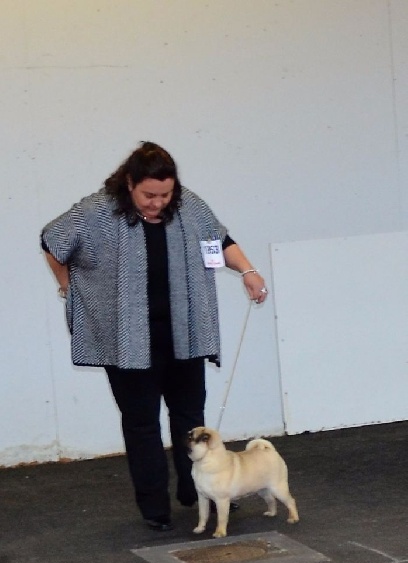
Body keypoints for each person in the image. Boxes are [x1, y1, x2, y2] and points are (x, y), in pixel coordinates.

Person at [41, 141, 268, 531]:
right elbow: (52, 241)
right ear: (129, 183)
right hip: (126, 340)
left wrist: (248, 272)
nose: (158, 203)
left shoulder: (188, 205)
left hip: (184, 333)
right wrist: (68, 285)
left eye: (165, 194)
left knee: (190, 417)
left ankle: (197, 491)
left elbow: (220, 241)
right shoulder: (97, 211)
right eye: (149, 195)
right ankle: (154, 507)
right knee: (141, 423)